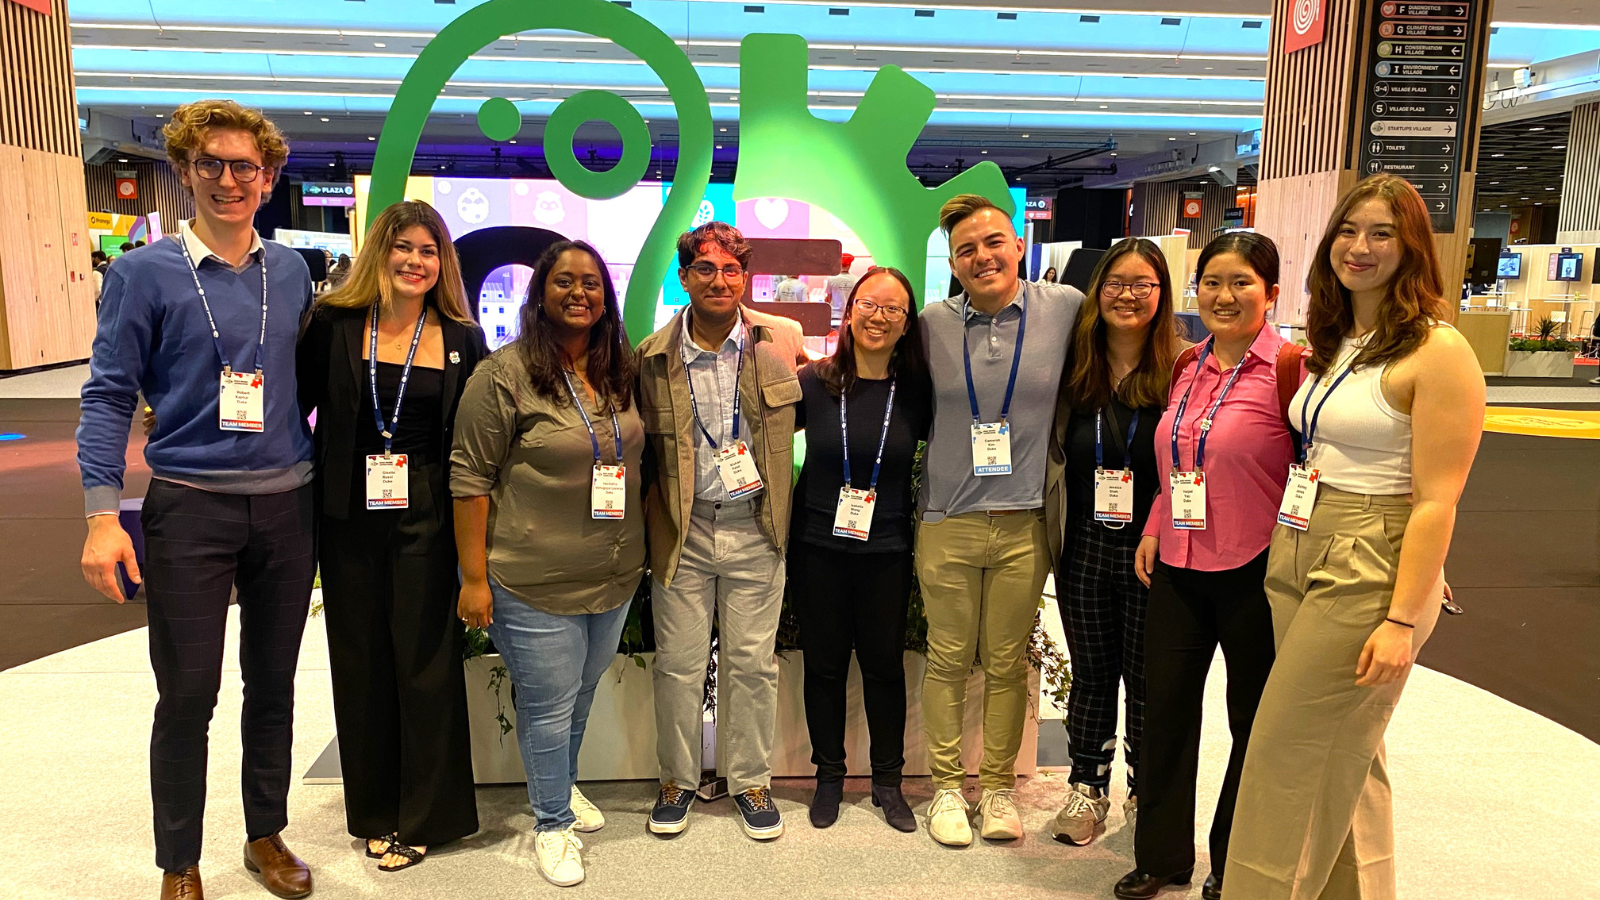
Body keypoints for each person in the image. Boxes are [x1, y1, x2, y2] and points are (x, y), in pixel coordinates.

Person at [76, 99, 315, 900]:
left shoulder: (291, 271)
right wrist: (102, 517)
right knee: (187, 693)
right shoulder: (144, 275)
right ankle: (179, 861)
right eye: (208, 163)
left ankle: (265, 834)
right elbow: (108, 395)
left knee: (274, 683)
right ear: (183, 171)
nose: (227, 179)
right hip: (188, 505)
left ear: (269, 177)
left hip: (287, 505)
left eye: (244, 165)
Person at [1225, 175, 1485, 900]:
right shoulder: (1339, 340)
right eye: (1348, 230)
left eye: (1381, 233)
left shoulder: (1438, 350)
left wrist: (1404, 616)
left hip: (1370, 555)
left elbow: (1437, 500)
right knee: (1348, 753)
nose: (1360, 248)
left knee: (1285, 753)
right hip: (1305, 536)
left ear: (1413, 248)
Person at [296, 200, 487, 872]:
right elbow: (292, 412)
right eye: (403, 247)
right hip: (348, 517)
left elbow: (476, 443)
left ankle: (426, 815)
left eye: (429, 250)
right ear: (381, 250)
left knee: (426, 665)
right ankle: (375, 810)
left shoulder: (462, 337)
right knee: (361, 662)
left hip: (429, 519)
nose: (415, 261)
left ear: (443, 262)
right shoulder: (334, 324)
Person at [452, 239, 645, 887]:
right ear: (540, 294)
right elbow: (469, 481)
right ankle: (552, 823)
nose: (579, 293)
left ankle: (560, 786)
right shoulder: (502, 374)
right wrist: (474, 579)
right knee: (547, 705)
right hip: (529, 577)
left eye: (592, 283)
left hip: (613, 572)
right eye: (565, 281)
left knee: (580, 696)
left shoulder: (619, 370)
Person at [1116, 232, 1298, 900]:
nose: (1224, 296)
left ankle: (1238, 861)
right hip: (1180, 562)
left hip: (1257, 569)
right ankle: (1162, 856)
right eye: (1213, 282)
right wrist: (1157, 522)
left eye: (1242, 283)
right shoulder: (1186, 364)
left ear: (1271, 292)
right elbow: (1179, 459)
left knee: (1253, 721)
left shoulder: (1290, 370)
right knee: (1161, 710)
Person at [917, 194, 1084, 846]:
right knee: (949, 658)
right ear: (954, 264)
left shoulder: (1065, 310)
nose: (982, 256)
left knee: (1008, 661)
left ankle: (995, 791)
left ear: (1018, 245)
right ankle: (946, 791)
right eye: (966, 249)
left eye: (993, 241)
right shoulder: (931, 324)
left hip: (1023, 523)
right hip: (948, 518)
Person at [636, 221, 804, 841]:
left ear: (745, 277)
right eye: (705, 269)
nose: (719, 280)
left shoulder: (778, 343)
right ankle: (677, 779)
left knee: (752, 665)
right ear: (684, 277)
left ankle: (749, 781)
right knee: (678, 665)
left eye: (732, 269)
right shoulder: (651, 357)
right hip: (682, 532)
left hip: (756, 527)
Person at [1048, 238, 1183, 846]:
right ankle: (1087, 789)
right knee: (1093, 674)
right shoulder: (1072, 367)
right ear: (1096, 292)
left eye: (1143, 285)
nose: (1128, 296)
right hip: (1083, 546)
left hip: (1155, 550)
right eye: (1115, 284)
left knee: (1149, 678)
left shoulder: (1184, 369)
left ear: (1162, 295)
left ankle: (1143, 788)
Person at [789, 266, 932, 833]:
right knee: (823, 667)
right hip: (816, 547)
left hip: (888, 548)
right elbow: (765, 440)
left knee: (882, 668)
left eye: (893, 309)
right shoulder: (812, 382)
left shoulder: (919, 392)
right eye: (869, 304)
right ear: (850, 312)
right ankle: (828, 776)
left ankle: (888, 781)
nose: (879, 316)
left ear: (906, 324)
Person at [827, 252, 860, 323]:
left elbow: (828, 299)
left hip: (834, 315)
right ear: (850, 265)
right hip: (849, 315)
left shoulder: (831, 278)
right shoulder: (856, 280)